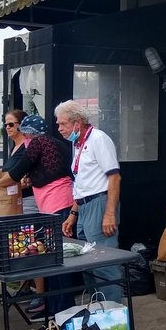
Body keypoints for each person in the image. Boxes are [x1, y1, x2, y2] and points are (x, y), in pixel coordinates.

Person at [0, 114, 76, 316]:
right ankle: (57, 312)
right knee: (56, 261)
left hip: (55, 204)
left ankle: (61, 314)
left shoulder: (36, 144)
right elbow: (49, 170)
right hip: (61, 201)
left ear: (28, 133)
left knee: (56, 262)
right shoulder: (58, 144)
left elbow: (15, 174)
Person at [54, 100, 123, 302]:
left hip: (100, 204)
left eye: (63, 124)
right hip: (84, 206)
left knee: (104, 264)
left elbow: (114, 177)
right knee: (88, 263)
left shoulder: (98, 139)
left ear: (78, 122)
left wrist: (109, 213)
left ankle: (112, 313)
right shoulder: (78, 143)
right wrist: (73, 214)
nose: (59, 129)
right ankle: (98, 311)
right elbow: (82, 181)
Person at [0, 109, 37, 213]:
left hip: (26, 199)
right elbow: (11, 169)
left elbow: (20, 175)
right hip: (12, 197)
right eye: (6, 125)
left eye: (11, 124)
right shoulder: (15, 146)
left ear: (22, 125)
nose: (7, 127)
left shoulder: (28, 147)